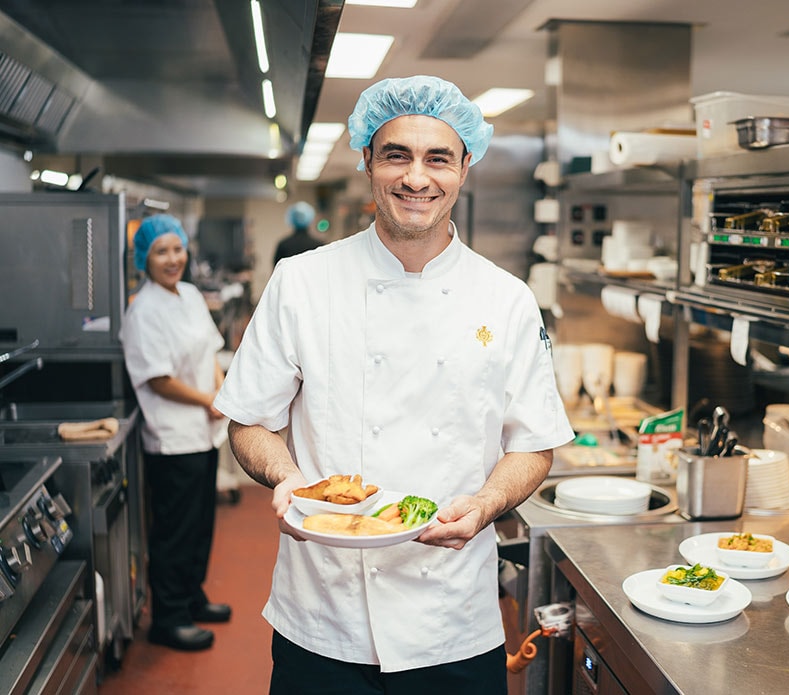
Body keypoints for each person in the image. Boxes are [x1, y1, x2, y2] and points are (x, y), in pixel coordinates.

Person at [214, 75, 574, 693]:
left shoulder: (508, 300)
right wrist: (288, 477)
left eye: (438, 158)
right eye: (396, 155)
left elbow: (534, 443)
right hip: (322, 617)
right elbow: (248, 420)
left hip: (454, 620)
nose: (416, 177)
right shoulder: (301, 283)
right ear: (367, 161)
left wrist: (486, 505)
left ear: (465, 167)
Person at [120, 214, 231, 652]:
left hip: (204, 433)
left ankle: (191, 596)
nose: (172, 259)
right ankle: (168, 617)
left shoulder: (189, 294)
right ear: (144, 259)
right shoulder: (142, 310)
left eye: (177, 249)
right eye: (161, 252)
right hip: (172, 437)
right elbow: (158, 379)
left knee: (201, 523)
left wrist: (223, 393)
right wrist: (209, 401)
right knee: (174, 530)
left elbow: (212, 353)